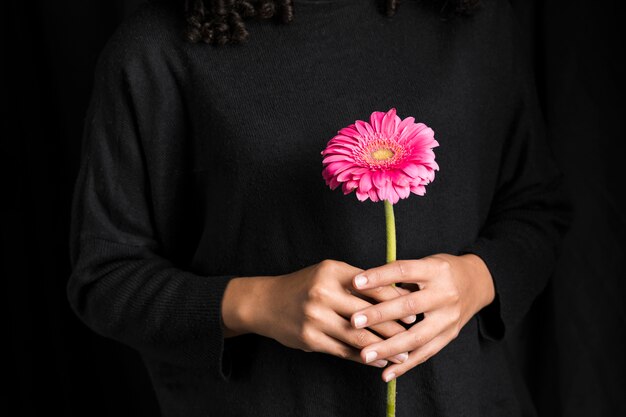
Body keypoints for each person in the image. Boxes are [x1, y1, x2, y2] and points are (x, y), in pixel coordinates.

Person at [67, 0, 571, 415]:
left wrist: (475, 281)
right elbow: (104, 277)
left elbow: (536, 207)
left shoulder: (472, 18)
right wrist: (258, 304)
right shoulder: (156, 48)